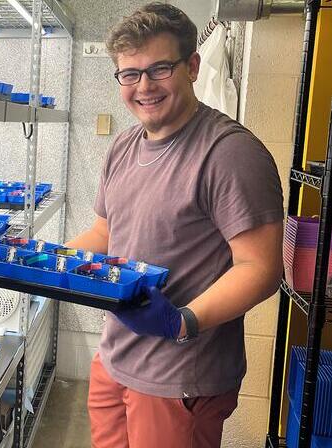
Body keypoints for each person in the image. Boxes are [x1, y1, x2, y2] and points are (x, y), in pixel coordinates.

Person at [65, 3, 284, 447]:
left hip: (179, 376)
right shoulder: (124, 146)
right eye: (129, 73)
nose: (143, 86)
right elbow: (106, 234)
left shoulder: (229, 154)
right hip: (115, 358)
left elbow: (261, 269)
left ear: (192, 67)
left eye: (159, 69)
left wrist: (183, 321)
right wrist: (47, 262)